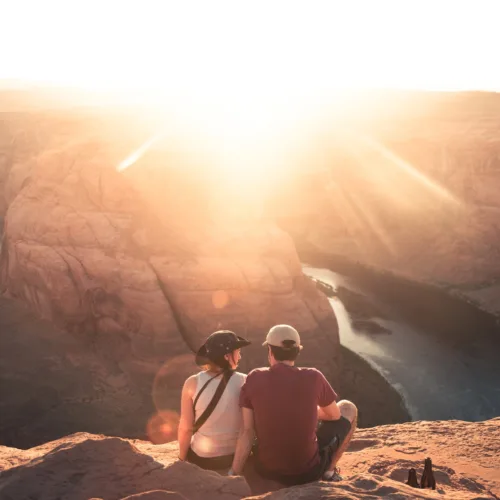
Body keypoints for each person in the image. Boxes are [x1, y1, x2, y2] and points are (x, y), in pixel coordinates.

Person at [229, 324, 357, 484]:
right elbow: (335, 415)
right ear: (297, 351)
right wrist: (310, 411)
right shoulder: (314, 377)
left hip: (266, 470)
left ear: (270, 351)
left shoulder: (254, 377)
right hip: (307, 473)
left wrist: (234, 474)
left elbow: (247, 431)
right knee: (348, 407)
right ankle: (329, 473)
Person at [177, 330, 251, 470]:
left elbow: (185, 428)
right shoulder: (245, 381)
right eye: (238, 352)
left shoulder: (192, 382)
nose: (240, 356)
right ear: (227, 356)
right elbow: (247, 429)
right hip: (232, 456)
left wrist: (181, 459)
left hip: (203, 459)